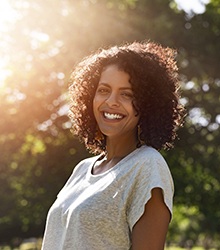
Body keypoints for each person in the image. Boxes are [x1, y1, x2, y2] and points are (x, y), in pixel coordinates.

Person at [41, 41, 185, 250]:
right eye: (103, 90)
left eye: (126, 94)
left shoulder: (148, 166)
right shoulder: (82, 170)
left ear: (147, 104)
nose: (111, 101)